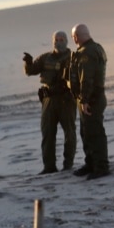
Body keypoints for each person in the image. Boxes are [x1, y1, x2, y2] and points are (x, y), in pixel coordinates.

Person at [22, 31, 77, 174]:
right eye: (56, 39)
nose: (58, 42)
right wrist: (28, 62)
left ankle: (68, 165)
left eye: (61, 39)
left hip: (66, 100)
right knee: (47, 133)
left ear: (66, 41)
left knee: (69, 133)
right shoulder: (46, 58)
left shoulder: (73, 58)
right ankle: (49, 166)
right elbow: (31, 71)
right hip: (48, 100)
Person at [69, 23, 109, 179]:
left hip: (92, 98)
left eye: (73, 37)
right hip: (91, 97)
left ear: (76, 37)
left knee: (94, 133)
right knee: (86, 132)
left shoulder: (87, 52)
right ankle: (91, 163)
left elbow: (87, 79)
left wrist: (85, 100)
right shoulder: (95, 48)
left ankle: (101, 167)